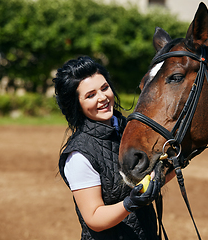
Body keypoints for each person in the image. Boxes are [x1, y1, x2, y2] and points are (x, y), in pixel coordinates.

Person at [53, 56, 161, 240]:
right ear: (77, 105)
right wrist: (130, 203)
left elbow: (151, 180)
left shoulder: (128, 130)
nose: (102, 97)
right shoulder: (79, 155)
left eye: (104, 88)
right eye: (90, 95)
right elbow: (94, 218)